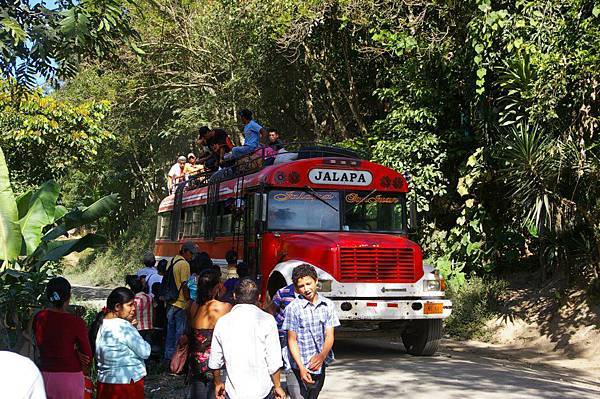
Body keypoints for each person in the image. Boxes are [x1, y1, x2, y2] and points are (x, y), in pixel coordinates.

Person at [208, 279, 285, 399]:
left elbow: (215, 360)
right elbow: (274, 360)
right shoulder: (268, 320)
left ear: (234, 296)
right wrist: (278, 386)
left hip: (233, 391)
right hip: (262, 390)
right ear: (258, 297)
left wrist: (218, 383)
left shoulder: (223, 322)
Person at [282, 264, 340, 399]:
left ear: (316, 281)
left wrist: (322, 356)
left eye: (309, 283)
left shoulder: (328, 305)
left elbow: (329, 335)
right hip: (296, 366)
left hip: (318, 365)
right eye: (301, 286)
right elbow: (292, 340)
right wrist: (301, 368)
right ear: (296, 289)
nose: (306, 289)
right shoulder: (293, 308)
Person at [33, 277, 92, 399]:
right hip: (70, 376)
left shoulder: (39, 317)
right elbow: (87, 355)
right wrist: (76, 352)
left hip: (44, 376)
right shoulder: (76, 322)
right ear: (69, 296)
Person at [90, 287, 151, 399]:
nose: (134, 309)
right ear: (117, 307)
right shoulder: (123, 326)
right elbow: (145, 352)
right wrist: (134, 330)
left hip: (105, 382)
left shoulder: (100, 323)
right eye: (130, 305)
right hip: (126, 383)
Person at [187, 269, 232, 399]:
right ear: (216, 287)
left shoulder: (193, 306)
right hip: (216, 363)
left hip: (195, 363)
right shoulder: (224, 307)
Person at [164, 241, 195, 361]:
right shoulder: (184, 264)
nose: (192, 257)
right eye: (191, 254)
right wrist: (188, 299)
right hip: (180, 303)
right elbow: (185, 284)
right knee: (179, 334)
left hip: (170, 302)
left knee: (170, 332)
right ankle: (177, 361)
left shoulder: (173, 261)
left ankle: (168, 357)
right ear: (186, 252)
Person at [269, 283, 301, 398]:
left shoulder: (309, 294)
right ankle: (290, 388)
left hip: (300, 335)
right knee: (287, 363)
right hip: (284, 334)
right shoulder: (283, 292)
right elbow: (271, 309)